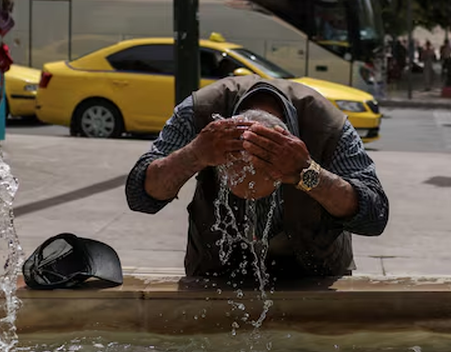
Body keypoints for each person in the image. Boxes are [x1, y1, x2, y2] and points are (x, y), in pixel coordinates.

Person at [125, 76, 389, 279]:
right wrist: (194, 155)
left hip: (315, 271)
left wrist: (307, 173)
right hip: (216, 269)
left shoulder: (328, 126)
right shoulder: (198, 113)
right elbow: (140, 196)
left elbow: (374, 216)